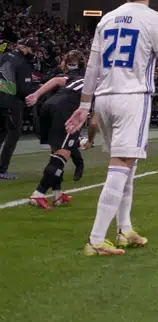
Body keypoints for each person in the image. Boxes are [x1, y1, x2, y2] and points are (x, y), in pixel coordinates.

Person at [65, 0, 158, 256]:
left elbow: (91, 66)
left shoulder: (107, 19)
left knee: (127, 165)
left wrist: (84, 105)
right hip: (132, 96)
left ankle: (124, 229)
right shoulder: (154, 19)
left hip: (104, 98)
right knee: (121, 165)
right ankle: (95, 239)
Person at [24, 49, 87, 209]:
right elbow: (93, 120)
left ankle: (57, 195)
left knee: (56, 154)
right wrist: (90, 139)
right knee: (62, 155)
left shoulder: (68, 76)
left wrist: (36, 95)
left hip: (46, 107)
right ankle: (38, 194)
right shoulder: (88, 80)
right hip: (65, 110)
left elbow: (56, 81)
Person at [0, 35, 33, 179]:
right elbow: (25, 89)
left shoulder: (5, 56)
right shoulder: (23, 62)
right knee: (14, 134)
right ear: (26, 48)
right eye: (32, 49)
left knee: (1, 132)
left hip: (0, 98)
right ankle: (2, 169)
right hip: (13, 102)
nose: (33, 52)